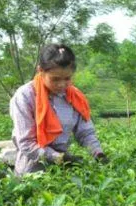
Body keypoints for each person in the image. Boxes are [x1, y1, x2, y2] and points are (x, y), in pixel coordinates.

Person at [9, 44, 107, 176]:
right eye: (55, 79)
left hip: (61, 171)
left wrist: (98, 153)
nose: (62, 84)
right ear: (40, 71)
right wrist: (58, 158)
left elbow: (85, 133)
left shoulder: (75, 97)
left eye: (67, 78)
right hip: (31, 173)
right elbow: (26, 144)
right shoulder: (25, 96)